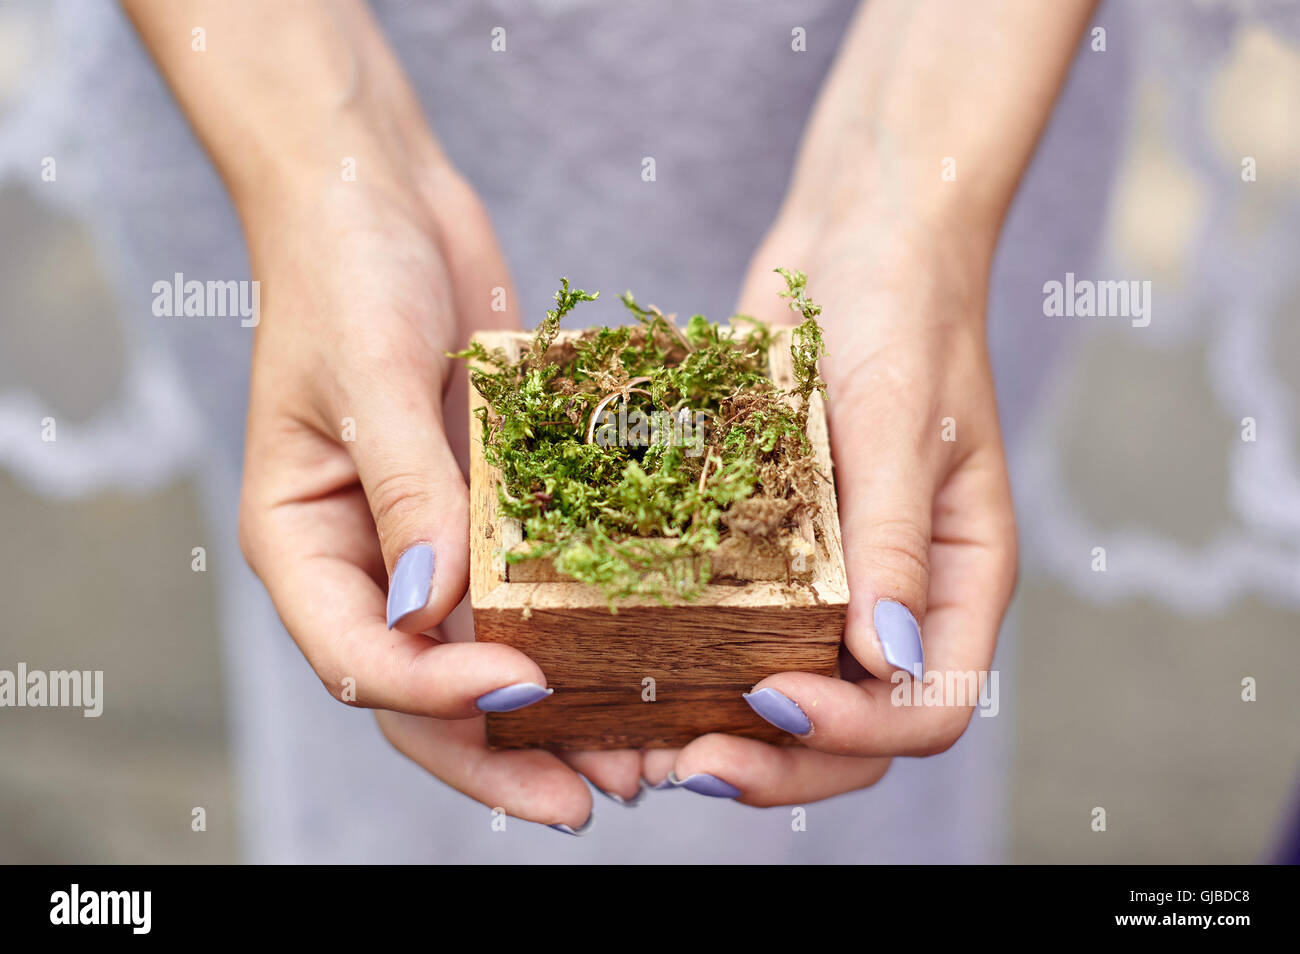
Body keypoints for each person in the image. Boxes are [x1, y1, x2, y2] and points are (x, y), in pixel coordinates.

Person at [62, 0, 1127, 860]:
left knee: (882, 495)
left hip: (953, 73)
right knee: (375, 572)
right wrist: (318, 167)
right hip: (270, 72)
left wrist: (914, 202)